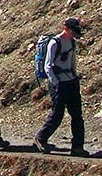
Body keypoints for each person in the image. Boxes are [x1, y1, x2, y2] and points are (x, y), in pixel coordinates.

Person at [35, 18, 89, 156]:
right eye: (72, 31)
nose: (74, 34)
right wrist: (55, 82)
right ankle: (41, 138)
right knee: (57, 114)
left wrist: (75, 77)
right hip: (58, 83)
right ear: (65, 28)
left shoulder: (72, 42)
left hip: (71, 81)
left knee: (77, 115)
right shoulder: (55, 42)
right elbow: (48, 65)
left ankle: (77, 147)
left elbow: (72, 62)